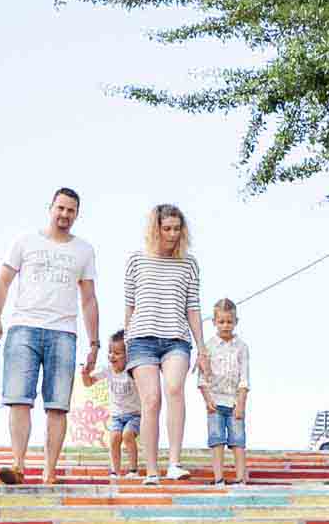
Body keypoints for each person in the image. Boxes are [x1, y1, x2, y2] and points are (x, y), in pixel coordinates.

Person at [0, 187, 100, 485]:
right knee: (19, 399)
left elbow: (89, 298)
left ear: (77, 215)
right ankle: (18, 465)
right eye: (60, 208)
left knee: (57, 404)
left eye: (71, 210)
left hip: (63, 332)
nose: (64, 215)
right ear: (50, 207)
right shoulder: (25, 241)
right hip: (23, 327)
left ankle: (50, 473)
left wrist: (94, 343)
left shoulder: (84, 250)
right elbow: (2, 282)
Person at [123, 203, 208, 484]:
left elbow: (193, 308)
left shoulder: (189, 263)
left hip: (176, 338)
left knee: (174, 389)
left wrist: (202, 348)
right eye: (167, 228)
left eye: (177, 228)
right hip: (141, 339)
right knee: (151, 400)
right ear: (155, 229)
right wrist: (125, 342)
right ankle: (150, 469)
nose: (172, 234)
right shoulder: (136, 260)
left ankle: (174, 462)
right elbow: (130, 306)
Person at [201, 298, 250, 484]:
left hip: (234, 400)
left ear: (236, 321)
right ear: (214, 322)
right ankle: (218, 477)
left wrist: (241, 403)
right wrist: (207, 400)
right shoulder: (209, 346)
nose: (225, 325)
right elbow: (203, 379)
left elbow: (244, 378)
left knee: (238, 440)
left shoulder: (241, 347)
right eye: (221, 321)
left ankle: (240, 477)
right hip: (215, 400)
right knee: (216, 439)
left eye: (229, 321)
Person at [85, 329, 141, 477]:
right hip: (117, 415)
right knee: (115, 438)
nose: (112, 356)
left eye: (117, 353)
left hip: (135, 414)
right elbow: (89, 382)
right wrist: (85, 374)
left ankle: (133, 470)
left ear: (128, 356)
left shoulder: (132, 370)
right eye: (110, 352)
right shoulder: (108, 369)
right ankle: (115, 471)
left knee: (127, 435)